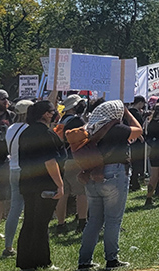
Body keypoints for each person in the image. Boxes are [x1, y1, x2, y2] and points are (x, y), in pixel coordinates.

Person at [77, 100, 142, 270]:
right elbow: (139, 130)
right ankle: (111, 259)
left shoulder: (89, 129)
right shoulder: (117, 129)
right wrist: (127, 114)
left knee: (94, 221)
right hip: (114, 173)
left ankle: (84, 260)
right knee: (113, 220)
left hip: (92, 174)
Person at [17, 100, 64, 271]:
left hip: (27, 183)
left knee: (30, 221)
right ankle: (41, 261)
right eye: (53, 111)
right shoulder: (45, 134)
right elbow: (50, 162)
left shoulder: (26, 132)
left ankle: (26, 261)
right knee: (41, 223)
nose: (56, 114)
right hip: (45, 183)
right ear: (46, 114)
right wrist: (60, 185)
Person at [2, 99, 32, 257]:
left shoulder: (11, 128)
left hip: (12, 168)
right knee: (31, 208)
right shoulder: (29, 129)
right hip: (26, 170)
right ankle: (29, 244)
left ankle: (8, 246)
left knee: (15, 208)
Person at [56, 94, 88, 233]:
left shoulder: (61, 120)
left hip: (61, 160)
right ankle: (82, 222)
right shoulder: (77, 121)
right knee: (82, 192)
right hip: (74, 159)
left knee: (63, 193)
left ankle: (60, 224)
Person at [0, 89, 15, 238]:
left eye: (7, 99)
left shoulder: (11, 116)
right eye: (2, 99)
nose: (6, 102)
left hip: (4, 161)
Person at [127, 96, 147, 191]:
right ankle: (134, 183)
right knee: (137, 162)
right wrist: (140, 136)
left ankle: (133, 182)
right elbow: (135, 126)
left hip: (132, 139)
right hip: (136, 140)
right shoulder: (134, 113)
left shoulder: (129, 112)